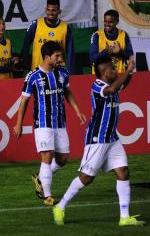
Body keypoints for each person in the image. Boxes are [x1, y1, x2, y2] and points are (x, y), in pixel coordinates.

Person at [53, 56, 145, 227]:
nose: (115, 71)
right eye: (111, 69)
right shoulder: (98, 86)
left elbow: (122, 84)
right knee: (87, 178)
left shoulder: (113, 84)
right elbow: (111, 90)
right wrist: (127, 72)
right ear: (103, 73)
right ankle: (60, 206)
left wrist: (130, 71)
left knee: (123, 171)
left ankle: (124, 217)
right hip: (97, 139)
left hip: (112, 138)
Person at [13, 41, 86, 206]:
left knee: (63, 159)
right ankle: (47, 195)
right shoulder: (32, 76)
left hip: (60, 122)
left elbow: (67, 91)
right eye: (57, 56)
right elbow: (24, 101)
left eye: (60, 55)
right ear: (47, 57)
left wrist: (77, 110)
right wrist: (18, 124)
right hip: (43, 122)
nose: (60, 58)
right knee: (47, 156)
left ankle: (40, 177)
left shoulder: (62, 73)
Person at [21, 0, 74, 74]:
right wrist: (23, 63)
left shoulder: (66, 27)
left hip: (58, 71)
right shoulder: (36, 24)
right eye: (49, 10)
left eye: (54, 10)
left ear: (59, 11)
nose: (50, 13)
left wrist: (70, 72)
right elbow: (25, 45)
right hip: (38, 70)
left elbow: (70, 52)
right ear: (45, 10)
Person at [89, 9, 133, 74]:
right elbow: (92, 58)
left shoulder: (124, 35)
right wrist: (106, 52)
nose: (107, 24)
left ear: (117, 22)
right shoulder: (96, 35)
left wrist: (119, 52)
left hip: (119, 75)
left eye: (110, 22)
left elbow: (131, 56)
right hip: (100, 76)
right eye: (105, 21)